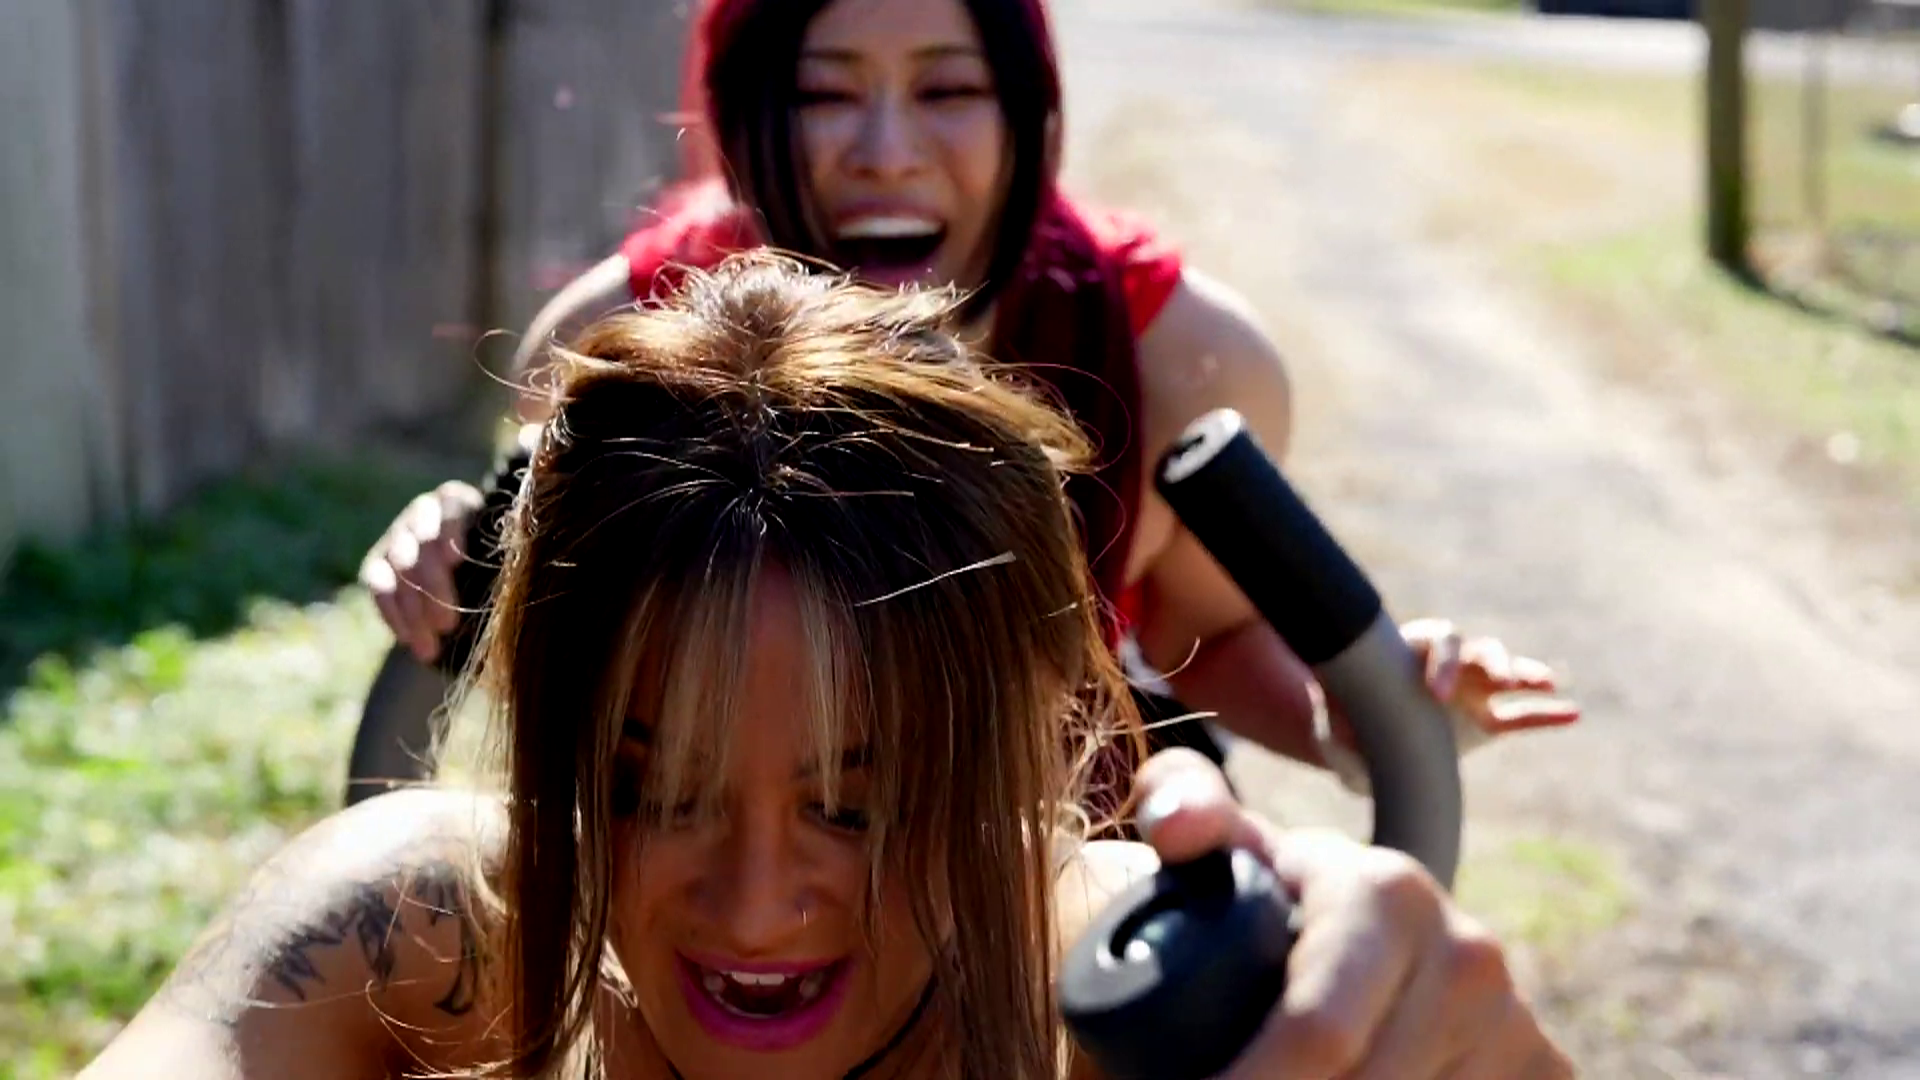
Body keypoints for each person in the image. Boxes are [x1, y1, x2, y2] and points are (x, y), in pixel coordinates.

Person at [87, 256, 1570, 1079]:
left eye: (861, 805)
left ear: (1038, 743)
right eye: (649, 791)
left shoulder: (1134, 1002)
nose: (754, 906)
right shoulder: (417, 935)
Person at [357, 0, 1578, 802]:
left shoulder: (1178, 359)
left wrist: (1360, 720)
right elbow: (564, 683)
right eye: (826, 93)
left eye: (947, 90)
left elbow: (1204, 642)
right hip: (729, 888)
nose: (887, 150)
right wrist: (465, 565)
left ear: (1028, 113)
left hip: (1045, 875)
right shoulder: (612, 352)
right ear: (745, 112)